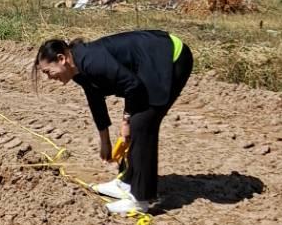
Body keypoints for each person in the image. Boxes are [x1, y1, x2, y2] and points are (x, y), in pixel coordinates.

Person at [32, 29, 193, 215]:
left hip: (170, 57)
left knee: (142, 122)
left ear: (61, 59)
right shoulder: (78, 69)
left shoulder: (91, 60)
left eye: (47, 71)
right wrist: (105, 141)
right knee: (137, 121)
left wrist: (126, 122)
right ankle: (126, 183)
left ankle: (140, 200)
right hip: (150, 61)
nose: (49, 77)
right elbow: (95, 100)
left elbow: (133, 85)